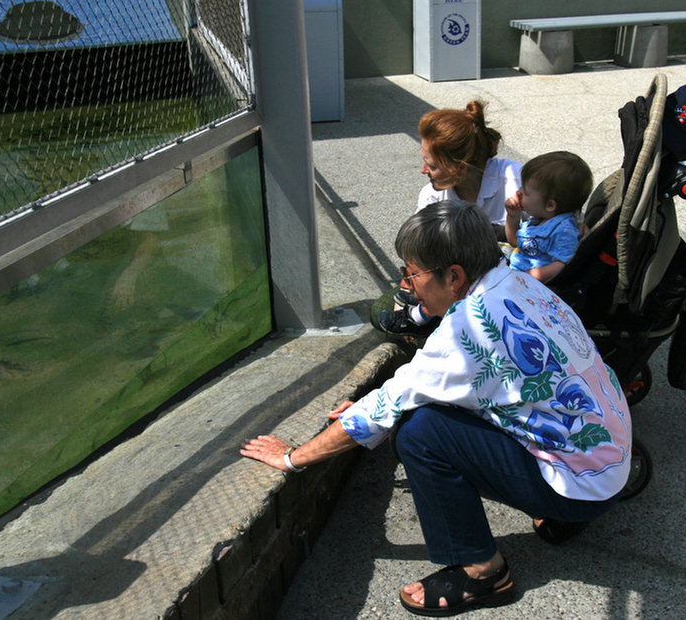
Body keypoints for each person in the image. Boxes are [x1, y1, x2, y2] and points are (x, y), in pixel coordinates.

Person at [241, 200, 631, 617]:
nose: (408, 285)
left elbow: (391, 404)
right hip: (609, 462)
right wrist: (381, 406)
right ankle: (563, 512)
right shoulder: (517, 281)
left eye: (413, 274)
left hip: (580, 488)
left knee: (420, 432)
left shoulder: (468, 328)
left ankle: (483, 572)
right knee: (420, 412)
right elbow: (457, 386)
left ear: (455, 276)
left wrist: (291, 458)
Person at [378, 100, 522, 337]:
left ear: (461, 168)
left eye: (431, 166)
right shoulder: (431, 196)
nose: (423, 170)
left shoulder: (516, 182)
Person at [504, 151, 593, 284]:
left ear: (550, 205)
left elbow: (563, 264)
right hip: (516, 274)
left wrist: (529, 276)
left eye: (526, 192)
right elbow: (515, 242)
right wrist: (512, 217)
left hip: (531, 287)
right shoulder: (540, 219)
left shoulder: (564, 230)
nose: (519, 193)